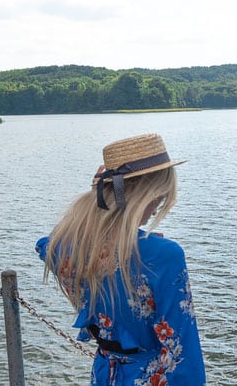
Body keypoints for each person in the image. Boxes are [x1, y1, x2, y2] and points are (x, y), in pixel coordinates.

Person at [35, 134, 206, 385]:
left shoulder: (71, 247)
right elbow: (181, 351)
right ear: (145, 193)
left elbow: (45, 244)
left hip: (104, 374)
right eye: (158, 196)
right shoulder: (163, 255)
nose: (159, 205)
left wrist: (96, 200)